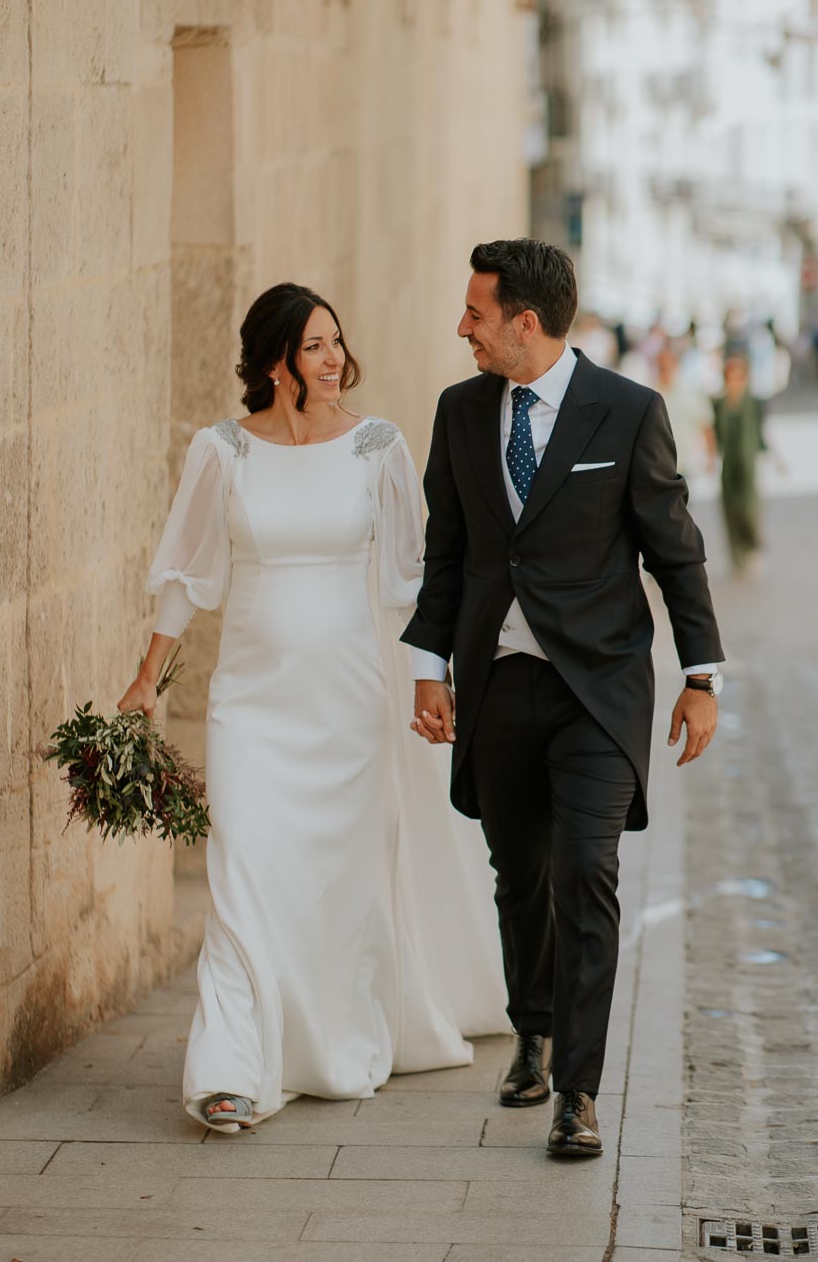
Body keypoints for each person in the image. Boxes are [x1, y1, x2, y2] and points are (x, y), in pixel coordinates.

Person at [120, 283, 507, 1132]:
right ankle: (230, 1066)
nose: (335, 358)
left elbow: (413, 582)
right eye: (315, 346)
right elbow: (187, 576)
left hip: (348, 703)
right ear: (275, 364)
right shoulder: (221, 452)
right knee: (243, 875)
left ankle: (327, 1041)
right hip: (251, 706)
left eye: (336, 341)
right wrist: (147, 677)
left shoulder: (378, 448)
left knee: (340, 879)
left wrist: (429, 679)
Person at [402, 240, 724, 1160]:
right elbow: (449, 555)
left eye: (475, 313)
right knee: (521, 873)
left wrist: (700, 679)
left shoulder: (626, 413)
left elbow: (675, 551)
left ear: (524, 322)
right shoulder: (461, 414)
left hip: (598, 691)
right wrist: (431, 665)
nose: (462, 327)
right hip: (499, 686)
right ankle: (531, 1032)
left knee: (587, 873)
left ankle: (576, 1091)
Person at [712, 348, 767, 574]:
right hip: (728, 463)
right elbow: (715, 433)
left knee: (748, 508)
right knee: (729, 509)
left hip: (748, 463)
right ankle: (736, 557)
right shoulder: (719, 403)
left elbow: (759, 431)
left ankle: (752, 546)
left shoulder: (753, 402)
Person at [656, 340, 716, 477]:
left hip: (687, 462)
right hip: (660, 464)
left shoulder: (692, 393)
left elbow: (706, 425)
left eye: (667, 364)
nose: (664, 369)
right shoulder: (651, 393)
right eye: (661, 366)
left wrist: (710, 457)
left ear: (675, 364)